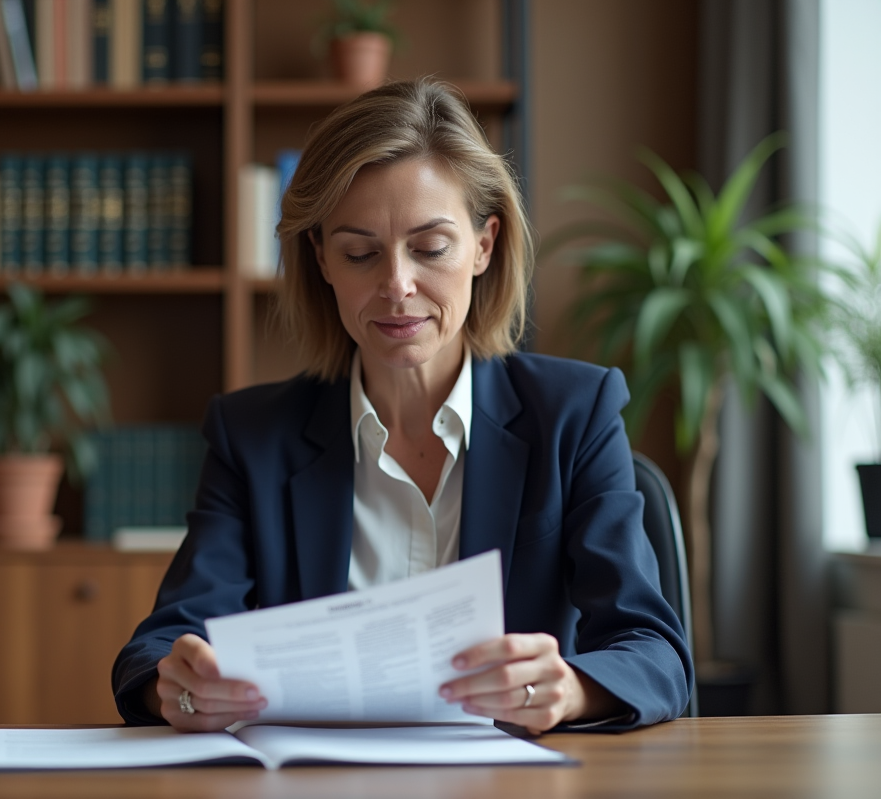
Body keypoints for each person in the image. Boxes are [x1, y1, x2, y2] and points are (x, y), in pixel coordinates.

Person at [112, 78, 693, 735]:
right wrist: (182, 687)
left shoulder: (574, 415)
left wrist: (570, 688)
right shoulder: (253, 438)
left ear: (485, 245)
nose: (396, 285)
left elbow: (656, 654)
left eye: (430, 247)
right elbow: (160, 647)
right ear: (323, 260)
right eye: (360, 252)